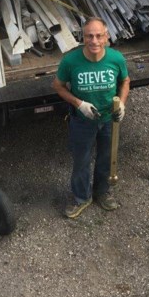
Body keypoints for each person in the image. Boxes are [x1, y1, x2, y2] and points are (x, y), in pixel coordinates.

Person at [51, 17, 130, 218]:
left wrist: (122, 102)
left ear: (107, 37)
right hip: (82, 121)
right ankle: (81, 197)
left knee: (106, 158)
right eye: (89, 36)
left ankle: (102, 193)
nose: (94, 41)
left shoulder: (116, 59)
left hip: (108, 120)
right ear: (82, 37)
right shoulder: (71, 61)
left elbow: (125, 81)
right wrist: (79, 104)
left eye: (98, 36)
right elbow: (57, 86)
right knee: (81, 161)